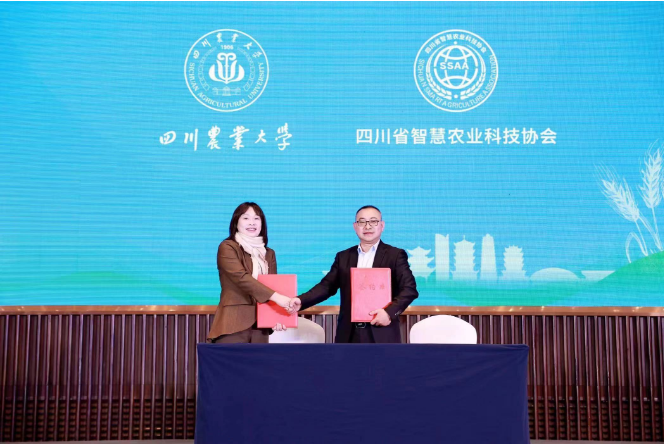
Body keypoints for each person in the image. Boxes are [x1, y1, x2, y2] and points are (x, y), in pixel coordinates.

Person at [290, 205, 418, 343]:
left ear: (382, 225)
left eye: (373, 221)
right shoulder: (343, 257)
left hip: (382, 333)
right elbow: (326, 287)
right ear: (355, 226)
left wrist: (389, 313)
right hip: (348, 334)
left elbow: (409, 289)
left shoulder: (395, 255)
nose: (367, 226)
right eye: (362, 222)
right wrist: (301, 300)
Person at [207, 202, 294, 343]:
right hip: (233, 322)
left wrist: (277, 317)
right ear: (236, 222)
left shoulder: (269, 253)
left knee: (259, 359)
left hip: (261, 326)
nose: (252, 223)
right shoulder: (228, 247)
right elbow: (241, 278)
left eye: (256, 218)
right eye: (246, 218)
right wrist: (279, 298)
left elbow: (272, 286)